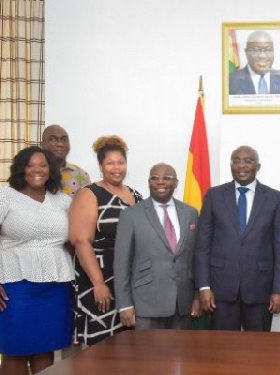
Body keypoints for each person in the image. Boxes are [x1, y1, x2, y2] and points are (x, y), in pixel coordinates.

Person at [195, 146, 280, 331]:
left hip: (260, 290)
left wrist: (279, 290)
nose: (241, 165)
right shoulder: (214, 196)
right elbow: (202, 245)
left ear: (258, 166)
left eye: (248, 161)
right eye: (235, 161)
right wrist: (203, 287)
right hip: (220, 290)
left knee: (258, 351)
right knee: (222, 350)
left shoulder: (275, 199)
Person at [0, 146, 73, 374]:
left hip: (56, 287)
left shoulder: (62, 201)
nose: (37, 170)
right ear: (21, 169)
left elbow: (74, 241)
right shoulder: (5, 196)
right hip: (15, 286)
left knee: (45, 350)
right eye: (30, 165)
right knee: (15, 351)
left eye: (42, 165)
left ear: (51, 170)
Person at [69, 135, 143, 346]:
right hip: (100, 276)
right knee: (101, 344)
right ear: (101, 166)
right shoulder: (89, 194)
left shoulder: (135, 195)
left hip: (129, 280)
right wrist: (99, 283)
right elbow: (81, 241)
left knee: (129, 344)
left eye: (121, 162)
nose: (116, 167)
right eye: (110, 163)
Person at [114, 163, 201, 330]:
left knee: (182, 355)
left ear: (176, 183)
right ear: (148, 182)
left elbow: (195, 258)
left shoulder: (190, 213)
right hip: (146, 305)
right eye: (154, 178)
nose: (160, 182)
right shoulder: (131, 215)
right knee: (148, 355)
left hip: (182, 304)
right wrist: (124, 304)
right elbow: (121, 263)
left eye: (167, 178)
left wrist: (196, 296)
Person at [229, 30, 280, 95]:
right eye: (256, 50)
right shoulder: (230, 82)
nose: (262, 56)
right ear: (246, 52)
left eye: (268, 50)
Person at [41, 124, 91, 197]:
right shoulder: (35, 173)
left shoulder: (80, 174)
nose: (60, 144)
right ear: (42, 144)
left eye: (64, 139)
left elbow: (88, 204)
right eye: (53, 139)